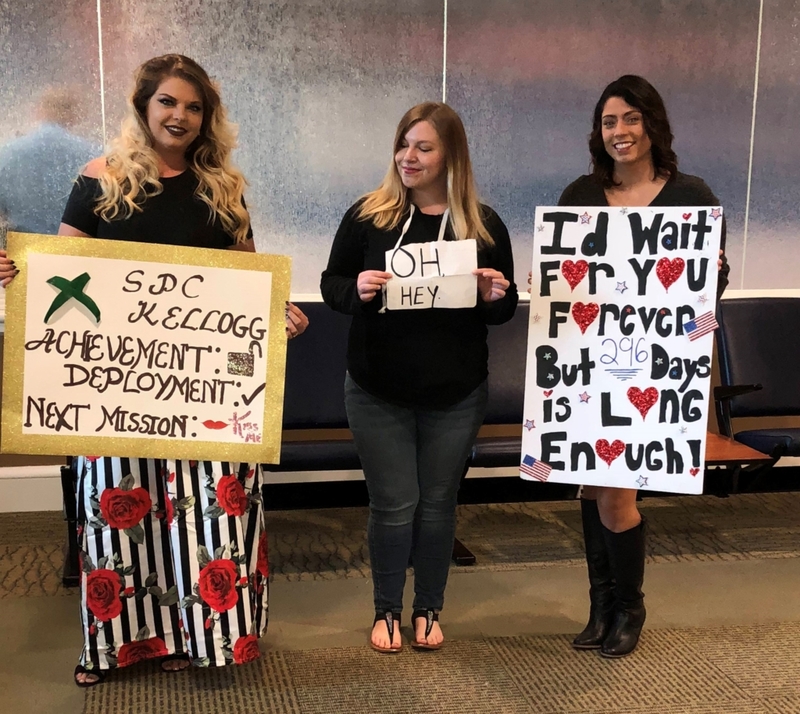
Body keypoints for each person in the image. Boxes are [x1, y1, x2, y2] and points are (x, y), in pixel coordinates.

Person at [0, 54, 307, 685]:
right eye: (168, 102)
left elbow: (246, 282)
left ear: (207, 118)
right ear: (144, 106)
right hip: (120, 393)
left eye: (194, 107)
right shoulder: (101, 180)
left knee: (210, 520)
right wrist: (17, 274)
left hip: (206, 396)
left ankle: (213, 640)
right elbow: (63, 275)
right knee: (120, 520)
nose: (181, 116)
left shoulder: (222, 188)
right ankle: (115, 647)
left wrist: (279, 311)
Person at [321, 102, 518, 652]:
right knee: (394, 504)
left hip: (454, 394)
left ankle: (428, 609)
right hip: (376, 389)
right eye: (404, 145)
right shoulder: (368, 215)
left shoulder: (482, 224)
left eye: (424, 147)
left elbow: (503, 307)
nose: (409, 157)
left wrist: (492, 295)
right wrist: (355, 289)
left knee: (438, 505)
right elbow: (332, 284)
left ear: (451, 155)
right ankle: (386, 611)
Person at [557, 75, 729, 658]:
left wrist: (709, 291)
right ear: (598, 131)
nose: (620, 132)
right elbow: (567, 278)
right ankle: (601, 605)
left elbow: (709, 297)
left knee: (617, 497)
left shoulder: (692, 197)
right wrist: (549, 285)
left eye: (631, 119)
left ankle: (630, 607)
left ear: (653, 125)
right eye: (609, 122)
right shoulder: (580, 194)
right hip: (589, 365)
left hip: (653, 370)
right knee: (590, 486)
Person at [0, 86, 98, 237]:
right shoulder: (95, 156)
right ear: (75, 115)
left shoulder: (7, 154)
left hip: (21, 252)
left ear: (39, 110)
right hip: (75, 253)